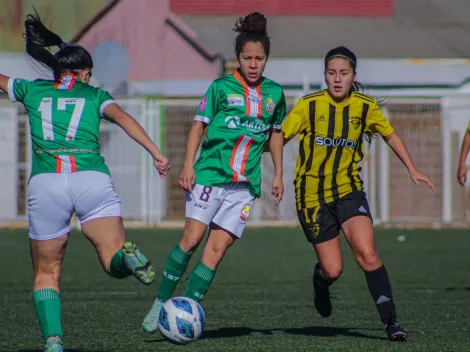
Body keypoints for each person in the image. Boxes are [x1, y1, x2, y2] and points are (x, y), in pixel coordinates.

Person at [0, 11, 170, 352]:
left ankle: (53, 341)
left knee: (46, 272)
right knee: (111, 258)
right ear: (85, 73)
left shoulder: (33, 90)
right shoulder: (95, 96)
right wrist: (156, 152)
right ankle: (127, 259)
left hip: (47, 184)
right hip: (92, 180)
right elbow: (122, 118)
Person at [142, 12, 286, 333]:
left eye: (259, 59)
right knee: (192, 239)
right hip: (209, 175)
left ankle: (187, 311)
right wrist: (188, 164)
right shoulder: (220, 87)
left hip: (244, 186)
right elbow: (198, 126)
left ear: (266, 59)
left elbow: (276, 133)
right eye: (247, 58)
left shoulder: (275, 94)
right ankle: (160, 302)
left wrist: (277, 173)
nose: (253, 64)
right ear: (238, 57)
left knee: (216, 251)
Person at [281, 46, 435, 341]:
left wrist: (412, 168)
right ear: (324, 75)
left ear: (354, 76)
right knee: (333, 269)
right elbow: (279, 137)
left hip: (349, 191)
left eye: (344, 73)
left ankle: (391, 322)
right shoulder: (308, 105)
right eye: (331, 73)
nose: (337, 79)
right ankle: (320, 281)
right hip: (311, 196)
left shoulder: (365, 106)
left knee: (367, 253)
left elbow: (390, 134)